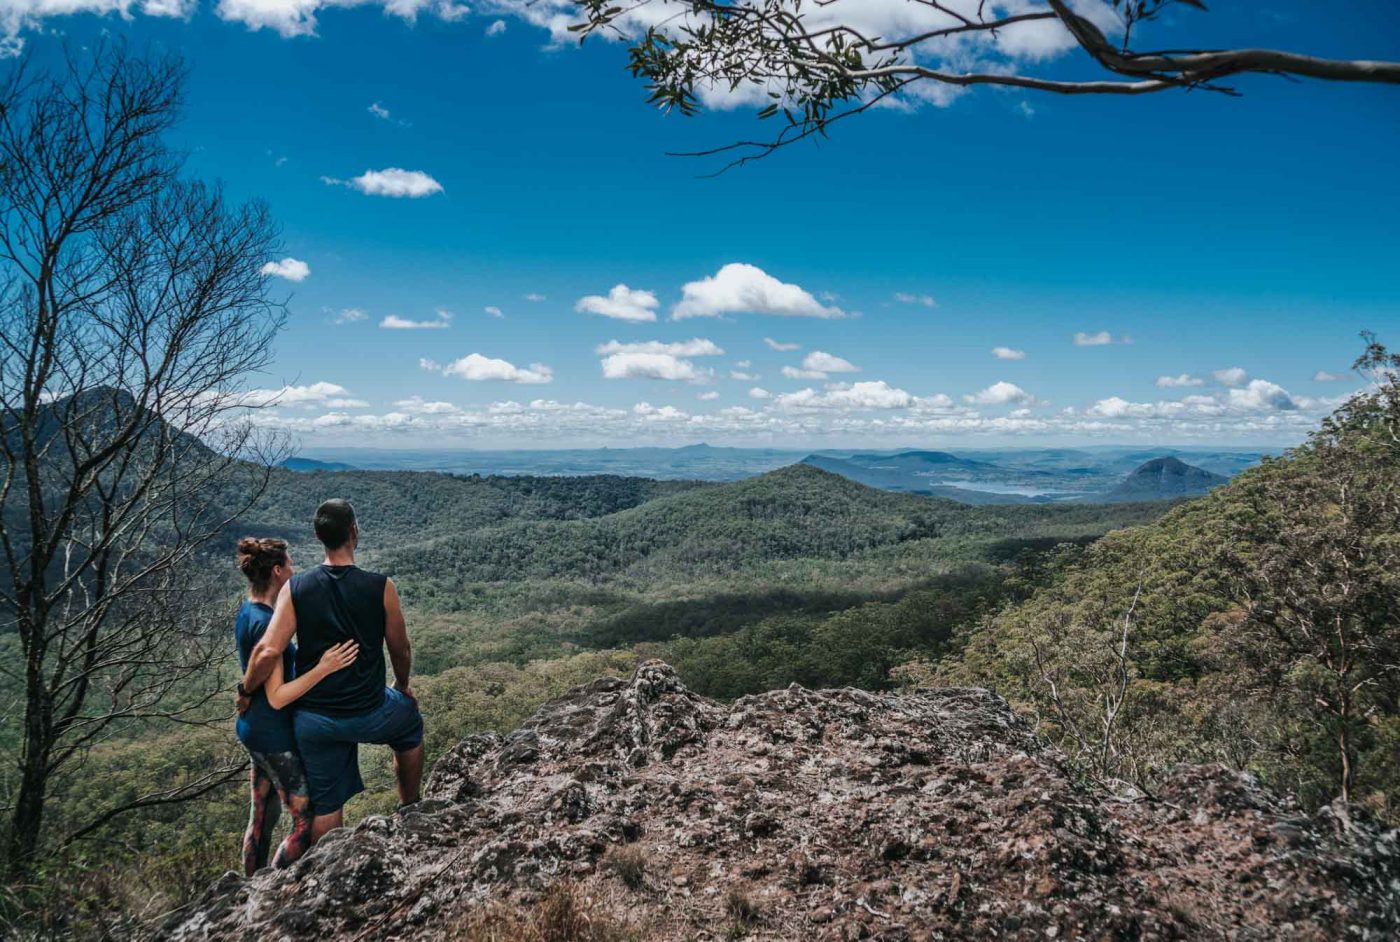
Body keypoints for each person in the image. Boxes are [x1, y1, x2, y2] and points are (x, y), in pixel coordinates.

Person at [240, 499, 424, 842]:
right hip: (371, 709)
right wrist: (402, 685)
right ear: (355, 532)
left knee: (326, 808)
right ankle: (410, 807)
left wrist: (246, 690)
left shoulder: (296, 589)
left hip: (315, 719)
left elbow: (266, 650)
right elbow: (400, 648)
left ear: (317, 536)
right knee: (410, 724)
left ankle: (326, 869)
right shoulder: (380, 587)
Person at [232, 537, 358, 874]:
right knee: (305, 822)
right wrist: (324, 668)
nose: (293, 570)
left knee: (261, 815)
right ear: (276, 571)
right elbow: (279, 692)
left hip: (252, 730)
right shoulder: (267, 626)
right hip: (274, 735)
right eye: (289, 565)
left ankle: (246, 888)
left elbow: (258, 661)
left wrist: (244, 689)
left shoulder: (249, 611)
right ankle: (270, 887)